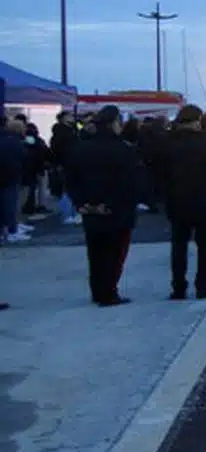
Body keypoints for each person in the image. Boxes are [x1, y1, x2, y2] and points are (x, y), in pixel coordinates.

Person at [64, 105, 141, 306]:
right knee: (115, 253)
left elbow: (71, 179)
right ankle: (109, 291)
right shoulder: (124, 150)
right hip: (117, 211)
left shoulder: (81, 148)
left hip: (90, 210)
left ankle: (98, 290)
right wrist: (109, 204)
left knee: (95, 252)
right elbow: (129, 183)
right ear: (113, 123)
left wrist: (82, 203)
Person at [156, 105, 206, 300]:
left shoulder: (167, 144)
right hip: (204, 202)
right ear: (197, 121)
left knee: (178, 246)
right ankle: (202, 286)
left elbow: (160, 174)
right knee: (205, 247)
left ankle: (178, 287)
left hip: (177, 202)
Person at [0, 118, 27, 244]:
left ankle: (4, 231)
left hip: (5, 175)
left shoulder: (4, 140)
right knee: (11, 204)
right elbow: (23, 157)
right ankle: (12, 231)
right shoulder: (16, 142)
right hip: (11, 176)